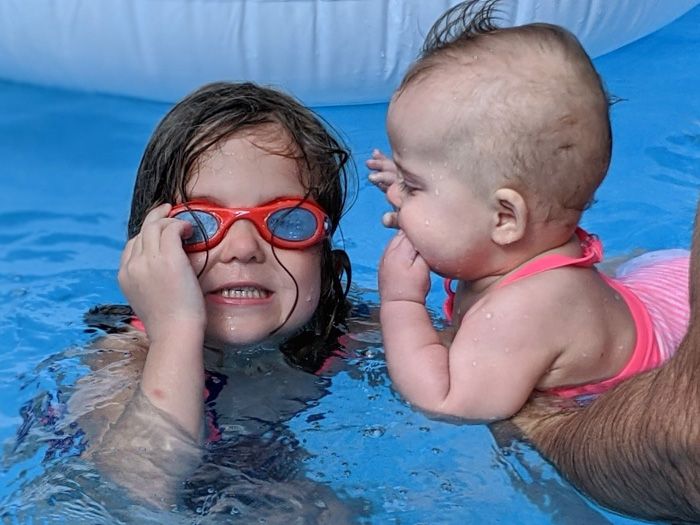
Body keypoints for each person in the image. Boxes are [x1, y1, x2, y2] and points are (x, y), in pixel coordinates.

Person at [367, 0, 690, 423]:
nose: (397, 198)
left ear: (505, 218)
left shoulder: (520, 313)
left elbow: (448, 402)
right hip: (655, 284)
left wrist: (401, 302)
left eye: (412, 185)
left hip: (676, 331)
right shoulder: (532, 241)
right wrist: (417, 189)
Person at [65, 81, 359, 518]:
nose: (243, 247)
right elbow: (133, 490)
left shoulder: (352, 334)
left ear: (328, 263)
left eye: (288, 221)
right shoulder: (125, 360)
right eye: (200, 224)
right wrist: (176, 332)